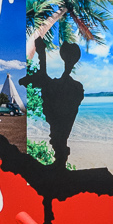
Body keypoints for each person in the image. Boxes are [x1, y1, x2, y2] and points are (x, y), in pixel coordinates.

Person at [22, 38, 87, 168]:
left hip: (61, 120)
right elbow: (46, 81)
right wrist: (41, 53)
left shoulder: (73, 87)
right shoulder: (75, 87)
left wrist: (41, 52)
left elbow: (46, 82)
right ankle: (60, 161)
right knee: (59, 139)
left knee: (59, 139)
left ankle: (59, 161)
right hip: (62, 119)